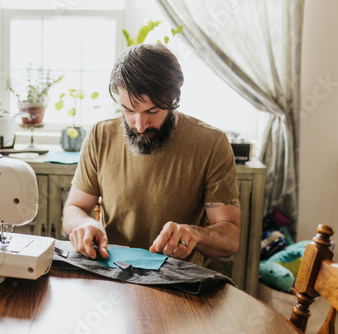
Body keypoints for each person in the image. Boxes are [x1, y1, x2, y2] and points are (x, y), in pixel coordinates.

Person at [62, 44, 241, 266]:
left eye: (152, 111)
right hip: (112, 271)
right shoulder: (101, 135)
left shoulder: (212, 143)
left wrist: (194, 234)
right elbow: (74, 208)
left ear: (173, 98)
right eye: (128, 110)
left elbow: (230, 236)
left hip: (177, 278)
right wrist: (84, 224)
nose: (139, 126)